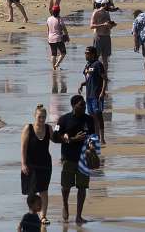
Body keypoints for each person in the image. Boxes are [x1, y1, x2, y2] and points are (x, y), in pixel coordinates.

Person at [54, 94, 95, 224]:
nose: (84, 107)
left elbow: (93, 137)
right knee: (66, 187)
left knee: (82, 188)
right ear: (74, 105)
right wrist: (72, 139)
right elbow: (55, 137)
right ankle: (65, 204)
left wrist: (92, 147)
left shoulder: (89, 120)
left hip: (84, 159)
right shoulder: (62, 120)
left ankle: (78, 216)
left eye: (85, 105)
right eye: (81, 105)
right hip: (68, 158)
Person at [20, 104, 54, 225]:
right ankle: (33, 215)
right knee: (32, 192)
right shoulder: (28, 128)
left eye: (44, 117)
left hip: (45, 164)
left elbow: (56, 138)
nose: (42, 119)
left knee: (44, 191)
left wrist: (64, 133)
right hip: (30, 164)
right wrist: (23, 163)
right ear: (35, 116)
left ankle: (43, 216)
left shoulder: (48, 128)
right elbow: (23, 147)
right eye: (39, 117)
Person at [82, 46, 108, 144]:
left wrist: (102, 92)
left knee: (98, 115)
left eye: (87, 53)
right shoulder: (87, 65)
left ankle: (102, 138)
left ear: (93, 54)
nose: (86, 55)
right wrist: (82, 84)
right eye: (85, 53)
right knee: (92, 117)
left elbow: (105, 79)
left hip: (97, 95)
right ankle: (95, 136)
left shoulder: (98, 64)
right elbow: (88, 80)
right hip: (88, 95)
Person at [89, 0, 116, 66]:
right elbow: (91, 26)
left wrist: (112, 25)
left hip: (107, 37)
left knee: (105, 59)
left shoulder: (107, 13)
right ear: (105, 5)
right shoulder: (96, 12)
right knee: (96, 57)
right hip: (99, 37)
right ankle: (95, 73)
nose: (110, 7)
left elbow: (108, 25)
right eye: (109, 5)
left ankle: (105, 75)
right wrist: (103, 25)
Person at [47, 6, 69, 71]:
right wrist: (67, 36)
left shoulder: (49, 19)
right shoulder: (60, 19)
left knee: (53, 54)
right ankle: (57, 64)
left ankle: (53, 67)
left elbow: (48, 29)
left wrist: (48, 38)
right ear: (59, 11)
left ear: (52, 12)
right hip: (58, 38)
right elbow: (64, 28)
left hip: (51, 38)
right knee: (63, 52)